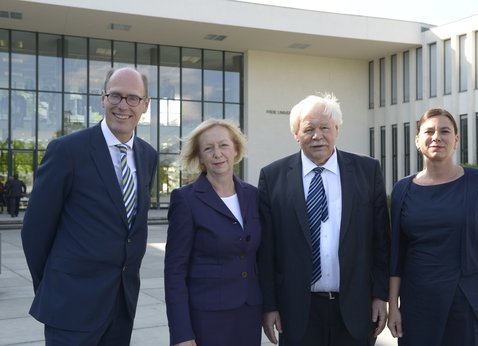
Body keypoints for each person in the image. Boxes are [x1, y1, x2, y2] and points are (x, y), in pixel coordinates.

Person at [21, 67, 158, 345]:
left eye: (132, 98)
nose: (123, 105)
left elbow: (132, 228)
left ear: (145, 104)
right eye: (115, 96)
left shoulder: (148, 156)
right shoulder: (67, 151)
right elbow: (35, 231)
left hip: (121, 304)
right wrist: (53, 287)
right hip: (70, 307)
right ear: (102, 98)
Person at [258, 93, 390, 346]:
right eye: (308, 129)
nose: (317, 136)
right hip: (297, 313)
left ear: (337, 130)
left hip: (355, 309)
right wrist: (270, 305)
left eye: (325, 128)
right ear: (296, 134)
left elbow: (381, 240)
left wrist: (380, 296)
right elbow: (267, 251)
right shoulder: (273, 177)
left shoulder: (367, 171)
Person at [387, 108, 478, 345]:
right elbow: (397, 253)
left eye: (445, 131)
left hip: (472, 304)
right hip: (419, 307)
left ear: (456, 140)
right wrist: (393, 307)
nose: (437, 137)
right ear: (417, 140)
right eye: (429, 131)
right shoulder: (402, 190)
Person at [164, 118, 262, 346]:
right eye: (208, 148)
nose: (217, 153)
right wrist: (181, 333)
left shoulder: (253, 196)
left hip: (249, 314)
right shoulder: (185, 200)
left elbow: (260, 258)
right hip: (206, 319)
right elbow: (175, 272)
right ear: (200, 157)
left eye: (224, 145)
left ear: (236, 149)